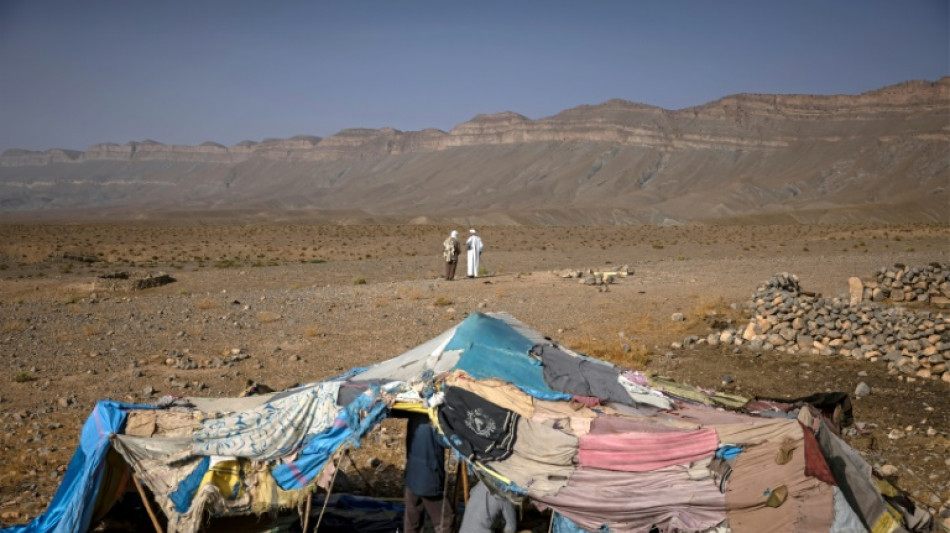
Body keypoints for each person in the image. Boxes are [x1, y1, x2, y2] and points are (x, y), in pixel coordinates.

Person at [403, 412, 455, 533]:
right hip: (429, 475)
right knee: (445, 520)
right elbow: (446, 441)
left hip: (412, 473)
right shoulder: (435, 415)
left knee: (412, 519)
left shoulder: (415, 410)